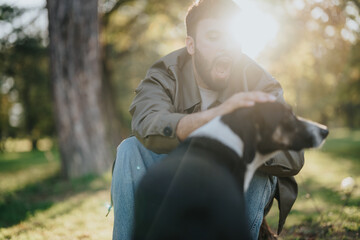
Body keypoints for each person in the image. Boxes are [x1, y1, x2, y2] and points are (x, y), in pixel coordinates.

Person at [111, 0, 304, 239]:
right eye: (214, 36)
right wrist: (216, 119)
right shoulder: (163, 75)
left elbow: (293, 152)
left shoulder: (260, 82)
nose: (226, 47)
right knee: (129, 150)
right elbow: (147, 121)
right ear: (191, 45)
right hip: (176, 176)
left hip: (235, 181)